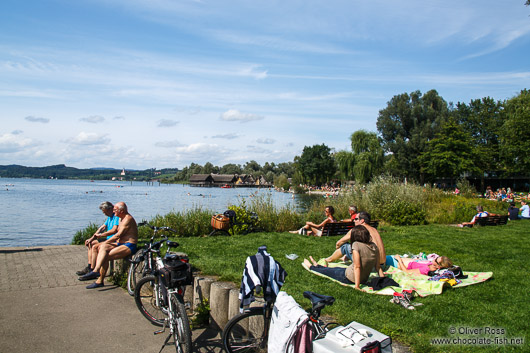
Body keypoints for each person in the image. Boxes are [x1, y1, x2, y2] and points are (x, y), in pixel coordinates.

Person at [303, 225, 385, 291]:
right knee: (334, 269)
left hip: (349, 277)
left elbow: (357, 266)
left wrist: (357, 286)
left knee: (328, 271)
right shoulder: (374, 246)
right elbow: (378, 267)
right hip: (363, 279)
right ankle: (317, 265)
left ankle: (312, 266)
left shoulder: (356, 245)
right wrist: (383, 279)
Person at [78, 202, 138, 289]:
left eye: (115, 209)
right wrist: (96, 238)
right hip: (120, 243)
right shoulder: (120, 218)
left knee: (105, 256)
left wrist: (106, 241)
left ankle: (98, 278)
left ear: (121, 211)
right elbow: (105, 228)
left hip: (129, 245)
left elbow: (118, 235)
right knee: (103, 247)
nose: (113, 211)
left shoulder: (128, 219)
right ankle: (95, 271)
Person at [76, 202, 119, 276]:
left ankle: (93, 270)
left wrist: (101, 235)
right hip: (107, 238)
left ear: (110, 209)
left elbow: (114, 230)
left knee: (95, 246)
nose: (104, 214)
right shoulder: (109, 217)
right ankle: (89, 267)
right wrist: (91, 238)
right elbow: (102, 227)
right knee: (90, 243)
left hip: (113, 239)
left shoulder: (116, 216)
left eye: (105, 212)